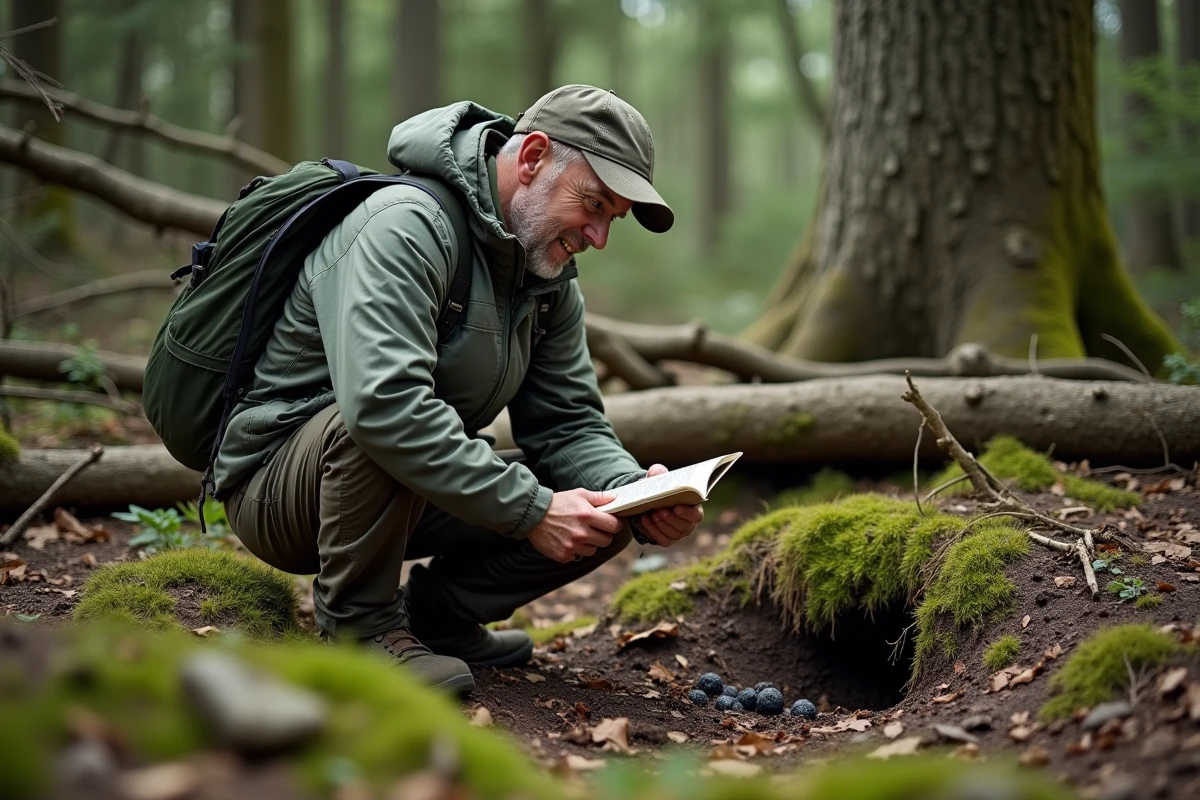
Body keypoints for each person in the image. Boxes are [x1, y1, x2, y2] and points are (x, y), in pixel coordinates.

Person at [213, 85, 703, 694]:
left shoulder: (547, 278)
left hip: (402, 491)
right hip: (283, 489)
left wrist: (632, 492)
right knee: (383, 419)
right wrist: (531, 510)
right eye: (593, 203)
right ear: (532, 159)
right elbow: (383, 406)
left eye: (612, 220)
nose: (598, 237)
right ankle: (360, 628)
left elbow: (569, 423)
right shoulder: (406, 226)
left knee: (600, 509)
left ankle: (438, 619)